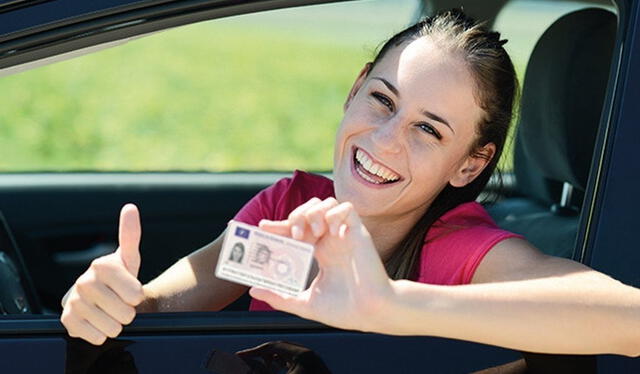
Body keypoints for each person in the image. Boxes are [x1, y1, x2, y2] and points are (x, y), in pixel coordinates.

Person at [60, 9, 640, 356]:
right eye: (382, 99)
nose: (385, 140)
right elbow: (168, 304)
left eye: (428, 130)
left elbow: (628, 319)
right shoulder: (290, 209)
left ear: (469, 164)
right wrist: (107, 301)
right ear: (355, 87)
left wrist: (390, 305)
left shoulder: (460, 251)